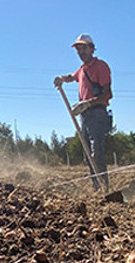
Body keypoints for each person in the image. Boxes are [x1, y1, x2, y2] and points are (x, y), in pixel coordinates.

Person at [54, 34, 113, 193]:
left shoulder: (101, 66)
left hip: (97, 114)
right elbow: (71, 77)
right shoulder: (82, 70)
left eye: (84, 48)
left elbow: (107, 94)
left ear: (92, 49)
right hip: (85, 116)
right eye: (78, 49)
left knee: (97, 153)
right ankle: (97, 189)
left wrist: (88, 103)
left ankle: (105, 189)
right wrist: (61, 79)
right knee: (88, 155)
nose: (81, 52)